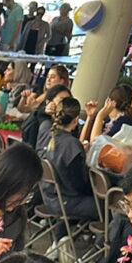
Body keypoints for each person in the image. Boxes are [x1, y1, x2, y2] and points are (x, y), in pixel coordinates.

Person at [39, 97, 100, 241]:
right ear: (76, 119)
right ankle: (93, 250)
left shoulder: (49, 135)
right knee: (105, 207)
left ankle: (60, 240)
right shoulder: (72, 145)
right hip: (65, 202)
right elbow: (79, 185)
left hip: (48, 197)